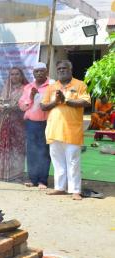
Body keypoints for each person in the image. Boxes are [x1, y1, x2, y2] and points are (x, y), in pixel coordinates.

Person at [40, 60, 91, 201]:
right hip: (54, 130)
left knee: (73, 161)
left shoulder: (79, 85)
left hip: (72, 131)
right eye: (59, 68)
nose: (62, 70)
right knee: (57, 161)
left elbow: (86, 102)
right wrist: (56, 102)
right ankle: (60, 187)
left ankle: (75, 190)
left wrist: (66, 101)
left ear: (71, 69)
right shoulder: (52, 87)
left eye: (64, 68)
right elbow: (43, 106)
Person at [19, 62, 53, 189]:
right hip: (31, 124)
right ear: (33, 73)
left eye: (41, 71)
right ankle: (33, 179)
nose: (39, 73)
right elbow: (22, 106)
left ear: (46, 72)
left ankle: (43, 181)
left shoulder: (52, 85)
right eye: (36, 71)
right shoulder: (28, 87)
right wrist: (31, 98)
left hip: (46, 123)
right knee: (32, 152)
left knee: (44, 152)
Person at [0, 67, 28, 182]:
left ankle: (17, 174)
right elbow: (1, 103)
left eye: (17, 74)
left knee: (17, 148)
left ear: (21, 75)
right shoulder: (6, 89)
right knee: (5, 147)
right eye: (12, 74)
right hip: (6, 122)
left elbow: (26, 105)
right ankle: (4, 173)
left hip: (19, 123)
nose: (14, 76)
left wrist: (13, 107)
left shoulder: (25, 89)